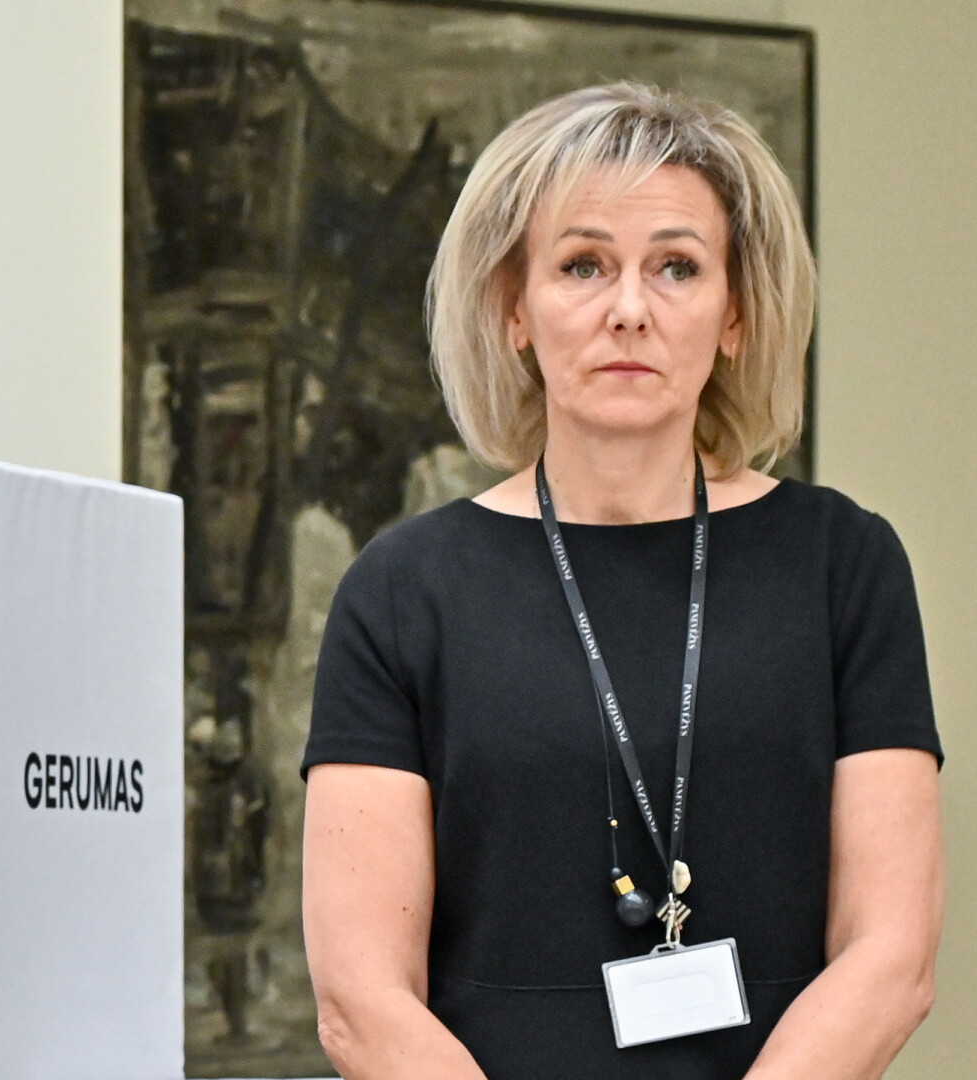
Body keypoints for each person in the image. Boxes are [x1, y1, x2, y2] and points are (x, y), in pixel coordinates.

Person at [301, 82, 943, 1079]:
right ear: (514, 309)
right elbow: (359, 998)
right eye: (583, 265)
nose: (630, 311)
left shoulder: (842, 566)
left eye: (677, 267)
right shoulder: (401, 592)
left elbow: (891, 956)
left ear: (736, 315)